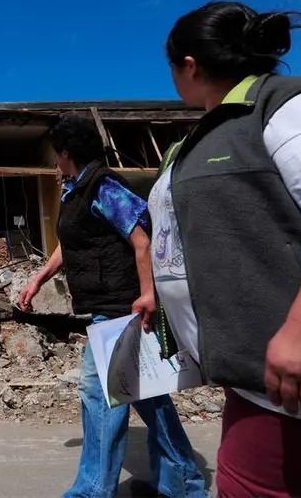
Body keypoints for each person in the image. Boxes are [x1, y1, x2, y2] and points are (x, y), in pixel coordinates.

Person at [152, 0, 301, 496]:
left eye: (171, 67)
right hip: (263, 387)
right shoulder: (221, 128)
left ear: (188, 65)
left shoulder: (298, 105)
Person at [19, 114, 208, 498]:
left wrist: (147, 294)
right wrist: (40, 276)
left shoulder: (104, 187)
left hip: (120, 306)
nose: (55, 162)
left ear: (67, 153)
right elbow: (71, 243)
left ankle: (92, 489)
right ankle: (184, 480)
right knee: (146, 394)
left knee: (99, 392)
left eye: (57, 154)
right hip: (110, 305)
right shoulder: (78, 190)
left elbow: (141, 240)